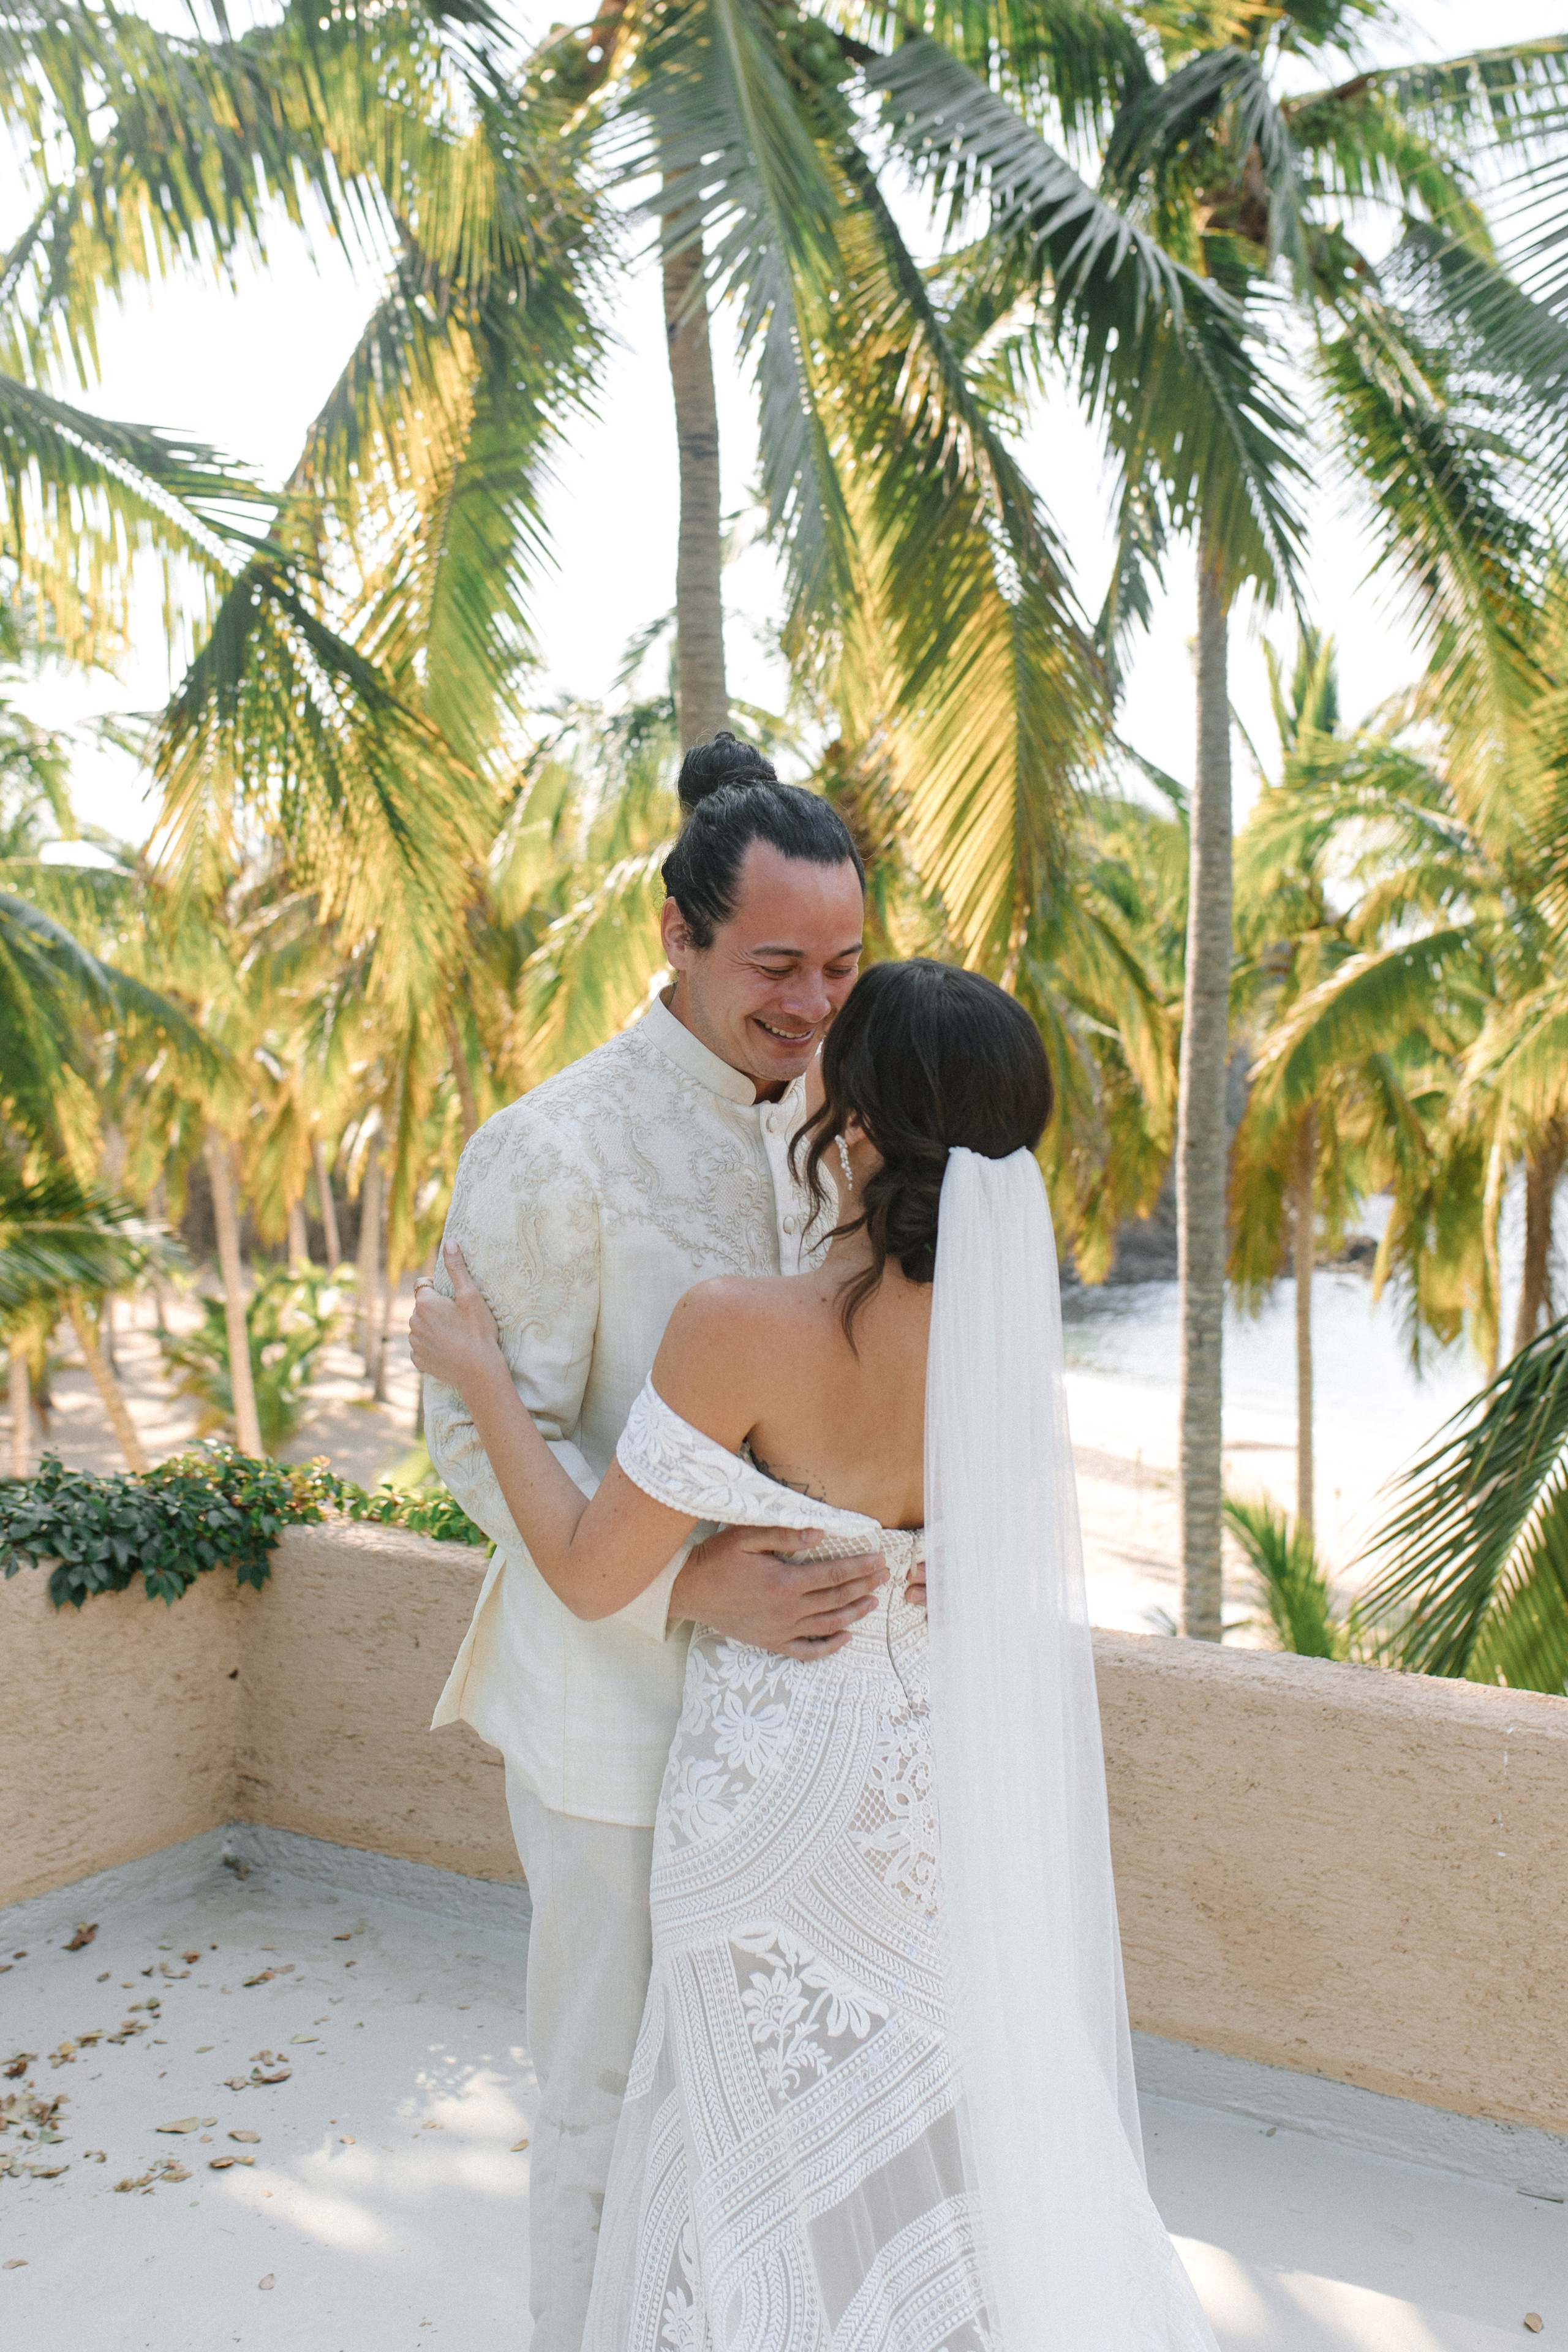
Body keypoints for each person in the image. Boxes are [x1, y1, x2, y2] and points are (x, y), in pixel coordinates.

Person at [412, 958, 1219, 2352]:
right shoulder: (992, 1345)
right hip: (921, 1793)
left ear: (849, 1128)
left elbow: (590, 1569)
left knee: (748, 2159)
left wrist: (481, 1378)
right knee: (923, 2134)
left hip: (767, 1800)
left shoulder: (741, 1328)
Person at [422, 734, 892, 2352]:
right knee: (602, 2091)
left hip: (794, 1728)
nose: (816, 1003)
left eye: (843, 964)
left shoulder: (850, 1119)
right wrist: (689, 1583)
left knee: (756, 2095)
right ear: (677, 937)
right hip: (612, 1716)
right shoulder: (551, 1151)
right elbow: (468, 1433)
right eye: (776, 964)